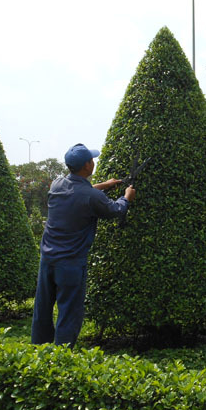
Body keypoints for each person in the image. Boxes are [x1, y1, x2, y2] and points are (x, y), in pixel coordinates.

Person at [31, 143, 135, 347]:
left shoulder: (57, 184)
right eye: (91, 160)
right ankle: (62, 359)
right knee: (69, 312)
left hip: (47, 260)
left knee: (42, 309)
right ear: (87, 166)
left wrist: (104, 185)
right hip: (70, 264)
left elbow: (79, 192)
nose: (93, 162)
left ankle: (39, 354)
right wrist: (126, 197)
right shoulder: (91, 197)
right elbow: (114, 210)